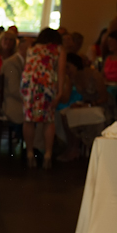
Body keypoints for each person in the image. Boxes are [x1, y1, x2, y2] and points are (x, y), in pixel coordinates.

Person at [21, 28, 67, 169]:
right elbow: (60, 73)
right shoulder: (59, 50)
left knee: (29, 120)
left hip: (29, 85)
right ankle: (47, 154)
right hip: (46, 85)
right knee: (48, 119)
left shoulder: (32, 48)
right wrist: (59, 93)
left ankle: (29, 153)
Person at [57, 53, 112, 161]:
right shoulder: (72, 78)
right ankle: (72, 147)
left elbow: (104, 98)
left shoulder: (94, 75)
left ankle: (74, 148)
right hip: (88, 105)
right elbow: (66, 97)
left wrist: (89, 104)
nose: (67, 70)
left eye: (68, 67)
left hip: (102, 105)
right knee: (65, 113)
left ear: (75, 65)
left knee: (71, 115)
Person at [1, 33, 33, 126]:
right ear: (23, 48)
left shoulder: (25, 62)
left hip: (22, 101)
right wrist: (31, 98)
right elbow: (14, 89)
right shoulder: (12, 64)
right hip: (13, 104)